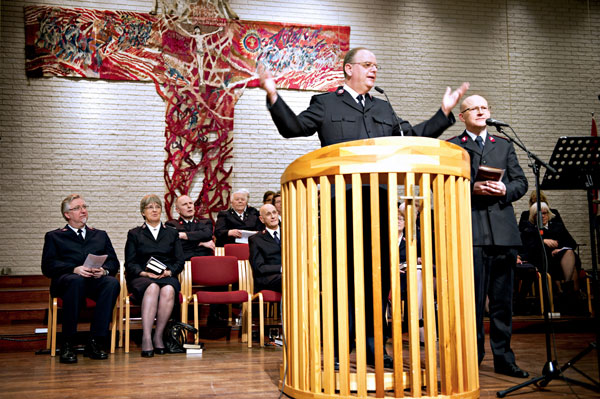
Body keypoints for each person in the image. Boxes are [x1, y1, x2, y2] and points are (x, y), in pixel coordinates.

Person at [259, 47, 469, 368]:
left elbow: (412, 137)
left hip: (379, 208)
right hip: (339, 206)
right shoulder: (325, 103)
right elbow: (294, 128)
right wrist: (273, 95)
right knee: (339, 278)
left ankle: (374, 348)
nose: (374, 70)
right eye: (367, 64)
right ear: (348, 69)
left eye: (376, 66)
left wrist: (443, 112)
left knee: (378, 279)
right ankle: (337, 348)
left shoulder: (384, 108)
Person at [448, 95, 529, 378]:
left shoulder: (504, 145)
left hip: (504, 235)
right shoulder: (452, 147)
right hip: (471, 233)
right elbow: (442, 186)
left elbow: (521, 182)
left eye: (485, 107)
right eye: (475, 108)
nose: (481, 111)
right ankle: (472, 358)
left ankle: (504, 359)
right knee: (471, 302)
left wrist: (505, 190)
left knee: (502, 303)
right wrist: (471, 189)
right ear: (463, 116)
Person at [41, 194, 120, 364]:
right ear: (67, 214)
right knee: (75, 281)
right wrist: (74, 269)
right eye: (77, 208)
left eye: (84, 207)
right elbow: (48, 267)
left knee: (112, 283)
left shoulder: (100, 235)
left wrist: (104, 271)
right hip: (68, 282)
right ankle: (68, 343)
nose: (83, 211)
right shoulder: (54, 236)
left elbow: (113, 262)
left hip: (94, 281)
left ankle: (95, 341)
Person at [125, 194, 184, 357]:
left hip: (166, 275)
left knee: (168, 290)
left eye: (157, 206)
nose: (155, 210)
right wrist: (144, 272)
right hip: (142, 276)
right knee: (152, 287)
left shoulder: (172, 233)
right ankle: (146, 338)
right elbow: (130, 263)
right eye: (150, 207)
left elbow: (180, 261)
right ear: (143, 212)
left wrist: (169, 272)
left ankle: (158, 336)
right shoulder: (134, 234)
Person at [520, 202, 583, 309]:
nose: (542, 216)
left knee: (569, 253)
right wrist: (542, 241)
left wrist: (560, 249)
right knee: (573, 270)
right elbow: (528, 249)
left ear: (549, 214)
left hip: (561, 258)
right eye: (538, 214)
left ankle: (565, 290)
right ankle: (570, 295)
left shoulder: (558, 227)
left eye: (544, 213)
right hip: (543, 260)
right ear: (533, 216)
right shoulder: (530, 229)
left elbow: (571, 243)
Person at [166, 195, 214, 260]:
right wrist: (201, 243)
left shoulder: (205, 222)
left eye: (190, 203)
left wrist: (184, 235)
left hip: (205, 261)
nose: (189, 206)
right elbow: (176, 245)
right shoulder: (171, 224)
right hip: (183, 263)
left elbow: (207, 234)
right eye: (184, 204)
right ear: (178, 210)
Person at [248, 204, 282, 293]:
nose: (273, 216)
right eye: (268, 214)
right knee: (289, 279)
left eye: (274, 213)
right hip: (268, 278)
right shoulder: (255, 240)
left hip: (290, 274)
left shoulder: (290, 233)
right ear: (262, 219)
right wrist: (282, 268)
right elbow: (259, 267)